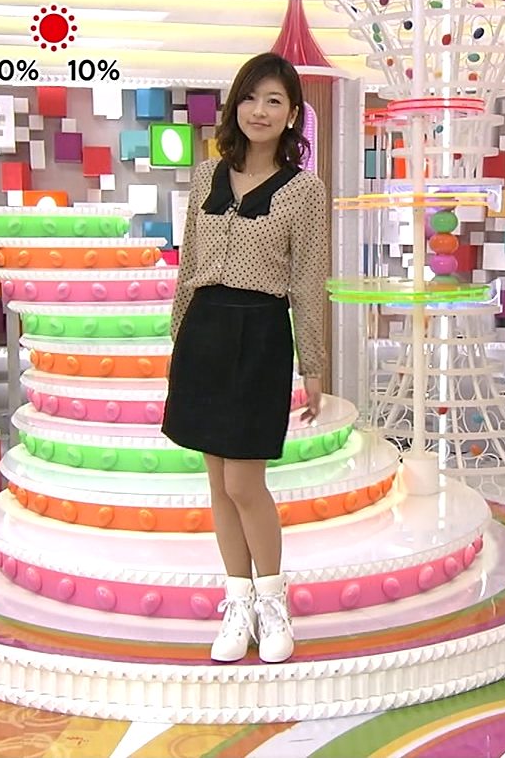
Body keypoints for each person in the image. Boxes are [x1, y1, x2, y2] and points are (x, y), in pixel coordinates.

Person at [161, 52, 330, 664]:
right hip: (203, 333)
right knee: (217, 482)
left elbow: (308, 281)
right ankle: (238, 602)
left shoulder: (304, 190)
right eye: (251, 97)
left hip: (260, 336)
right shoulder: (206, 175)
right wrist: (178, 339)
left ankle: (273, 601)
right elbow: (188, 264)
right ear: (235, 105)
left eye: (275, 100)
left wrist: (313, 365)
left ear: (293, 115)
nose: (260, 110)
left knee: (244, 481)